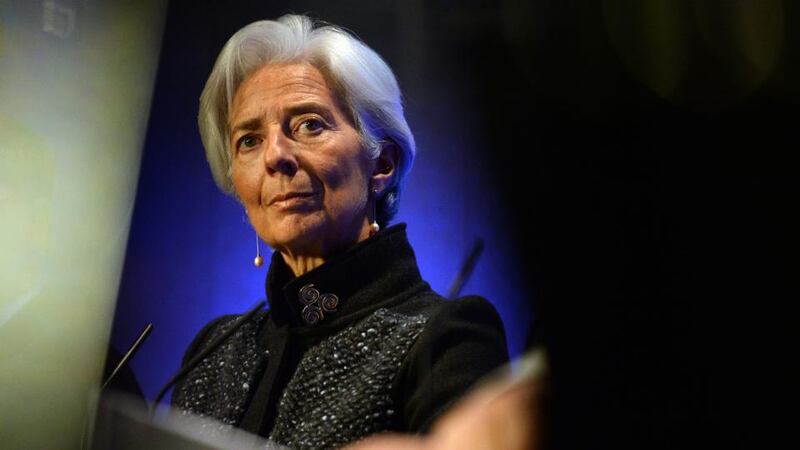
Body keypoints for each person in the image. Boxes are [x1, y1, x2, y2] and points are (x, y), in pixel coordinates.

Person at [169, 14, 509, 449]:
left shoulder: (446, 338)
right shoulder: (212, 353)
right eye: (249, 140)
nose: (275, 156)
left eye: (309, 124)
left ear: (382, 164)